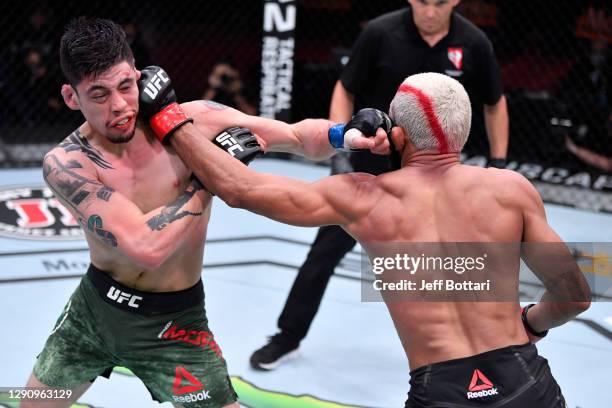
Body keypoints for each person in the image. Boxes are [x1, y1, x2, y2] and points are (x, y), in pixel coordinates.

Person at [151, 71, 590, 407]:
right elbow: (574, 296)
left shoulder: (364, 199)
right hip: (525, 381)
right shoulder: (511, 190)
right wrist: (531, 322)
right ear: (465, 131)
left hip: (442, 391)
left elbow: (241, 190)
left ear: (395, 134)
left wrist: (169, 117)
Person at [22, 17, 388, 408]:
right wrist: (210, 175)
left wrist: (346, 135)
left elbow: (297, 137)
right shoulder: (69, 163)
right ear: (70, 97)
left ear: (138, 74)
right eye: (98, 94)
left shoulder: (196, 121)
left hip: (177, 323)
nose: (118, 106)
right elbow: (145, 246)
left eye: (126, 86)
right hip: (93, 314)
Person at [250, 0, 510, 370]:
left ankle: (478, 351)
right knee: (323, 251)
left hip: (437, 175)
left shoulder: (474, 42)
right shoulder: (380, 32)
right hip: (370, 168)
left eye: (439, 3)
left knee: (460, 259)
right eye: (423, 1)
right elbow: (345, 87)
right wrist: (339, 143)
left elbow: (495, 102)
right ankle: (288, 336)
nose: (430, 10)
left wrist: (498, 164)